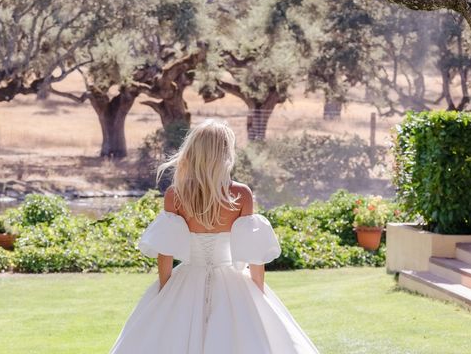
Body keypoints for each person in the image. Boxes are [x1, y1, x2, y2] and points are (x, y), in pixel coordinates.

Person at [109, 118, 320, 354]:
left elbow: (165, 253)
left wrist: (166, 292)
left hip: (187, 277)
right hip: (233, 281)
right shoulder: (241, 194)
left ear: (193, 151)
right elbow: (253, 255)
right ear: (225, 153)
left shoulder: (175, 195)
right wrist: (258, 295)